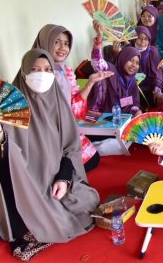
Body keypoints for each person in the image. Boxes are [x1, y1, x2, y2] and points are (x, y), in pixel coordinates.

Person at [0, 49, 99, 261]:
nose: (41, 75)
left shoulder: (57, 101)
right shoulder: (10, 107)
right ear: (23, 72)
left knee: (88, 201)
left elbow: (70, 147)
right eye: (34, 70)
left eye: (47, 69)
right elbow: (3, 165)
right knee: (45, 219)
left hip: (55, 177)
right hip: (27, 184)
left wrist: (63, 178)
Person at [29, 24, 112, 171]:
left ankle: (62, 172)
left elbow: (74, 106)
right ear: (45, 42)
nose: (63, 48)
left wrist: (90, 82)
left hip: (66, 127)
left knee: (93, 158)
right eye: (57, 42)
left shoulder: (64, 71)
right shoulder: (34, 73)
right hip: (44, 134)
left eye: (66, 43)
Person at [88, 31, 143, 118]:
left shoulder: (132, 80)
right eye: (131, 60)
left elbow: (133, 104)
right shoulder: (111, 71)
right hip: (103, 116)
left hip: (121, 117)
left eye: (137, 63)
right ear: (123, 59)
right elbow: (97, 62)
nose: (134, 65)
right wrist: (98, 41)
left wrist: (136, 112)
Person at [133, 26, 163, 109]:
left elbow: (157, 73)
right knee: (128, 100)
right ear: (134, 38)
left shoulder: (153, 51)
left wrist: (157, 89)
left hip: (150, 86)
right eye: (139, 38)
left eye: (146, 39)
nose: (142, 41)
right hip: (134, 87)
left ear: (149, 40)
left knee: (156, 98)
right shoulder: (128, 50)